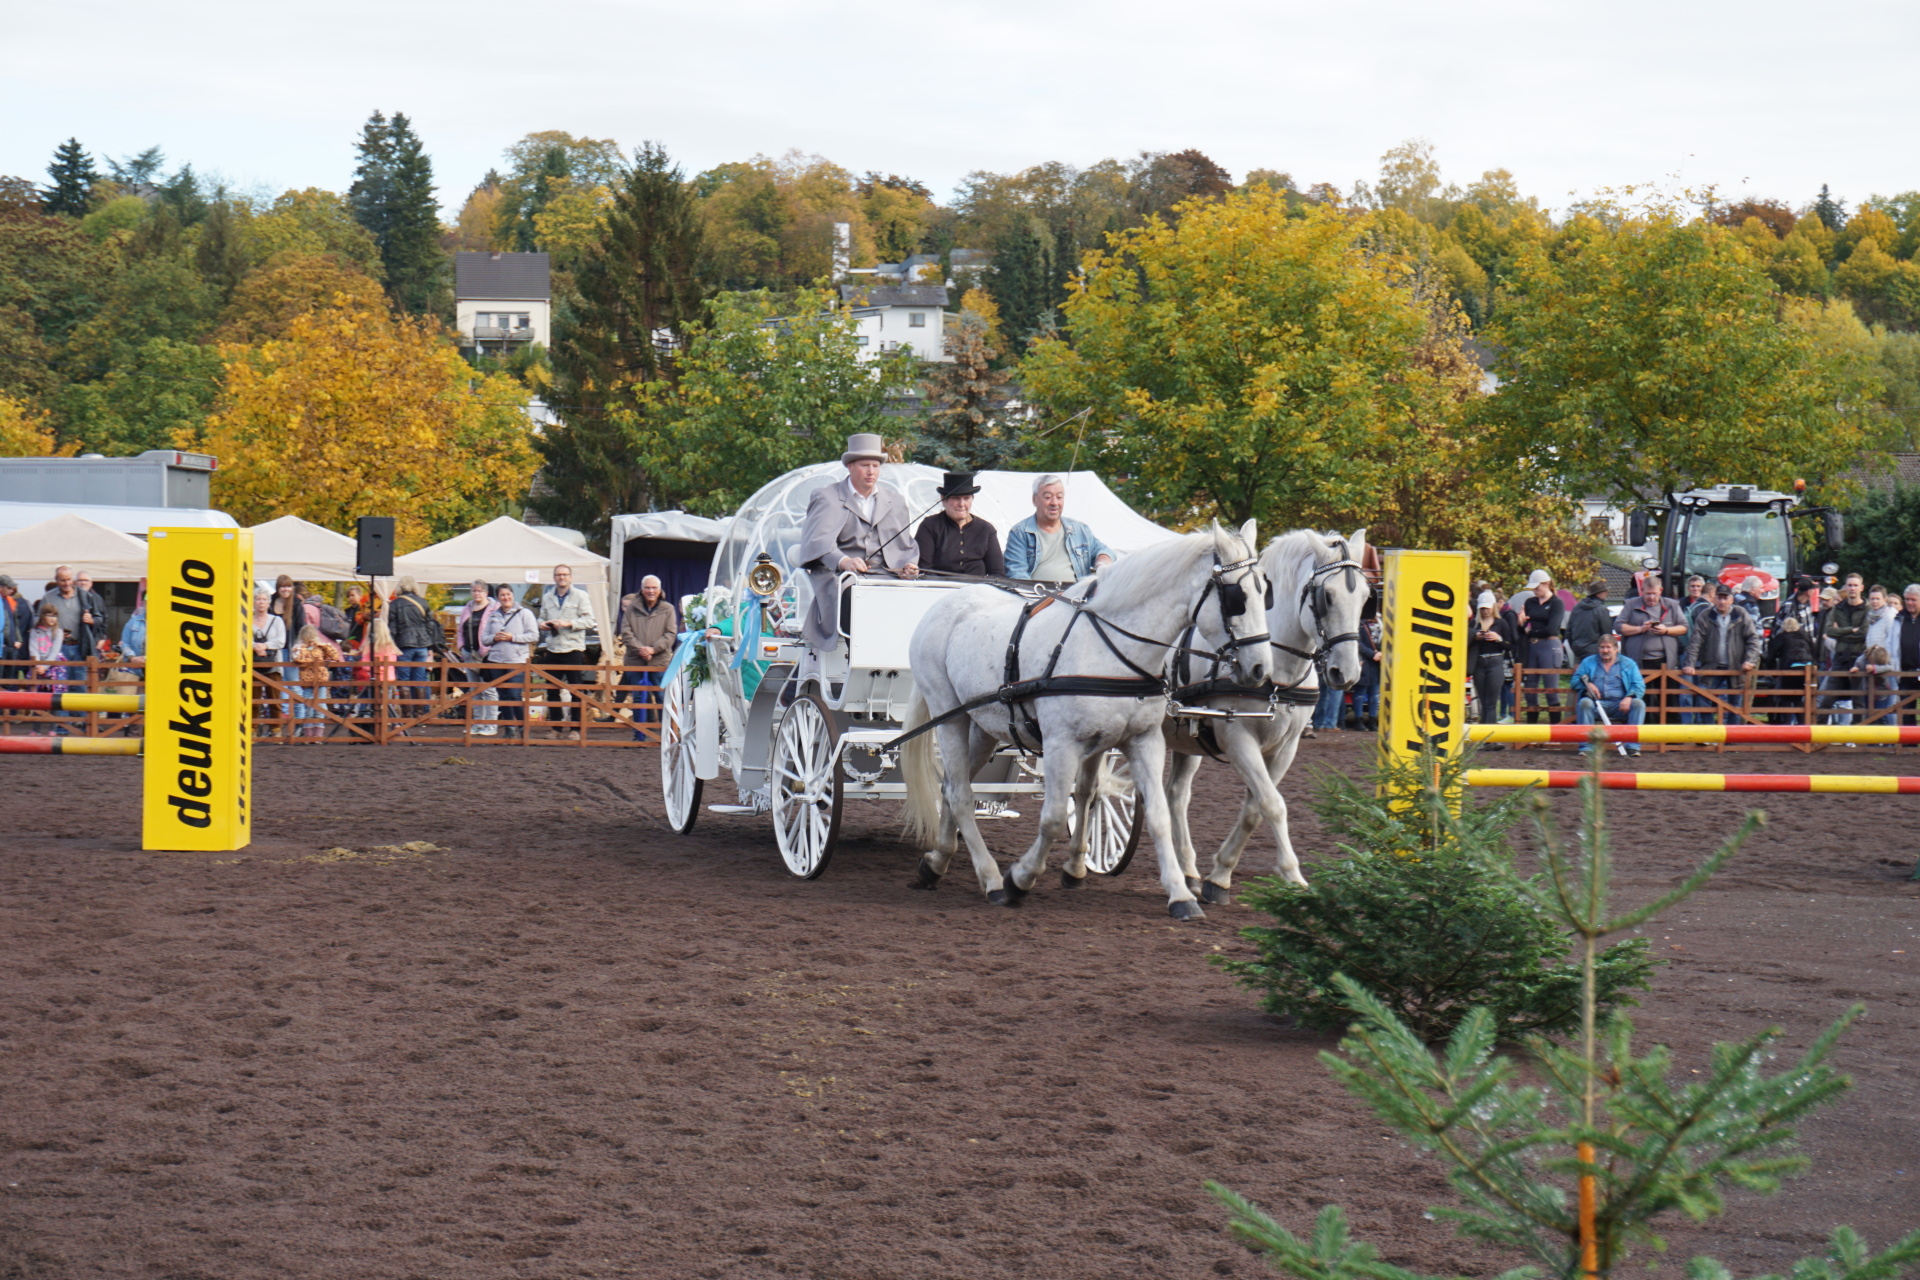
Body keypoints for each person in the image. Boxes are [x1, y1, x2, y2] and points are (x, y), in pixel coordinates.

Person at [794, 433, 920, 653]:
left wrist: (907, 566)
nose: (871, 471)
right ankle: (860, 655)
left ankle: (902, 656)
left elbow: (905, 546)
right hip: (840, 576)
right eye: (864, 465)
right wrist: (843, 561)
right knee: (851, 594)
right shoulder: (827, 497)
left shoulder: (895, 500)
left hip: (885, 575)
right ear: (850, 466)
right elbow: (817, 542)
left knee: (916, 596)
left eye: (875, 465)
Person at [1004, 474, 1114, 583]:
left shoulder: (1080, 530)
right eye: (1047, 497)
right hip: (1037, 597)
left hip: (1076, 597)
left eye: (1059, 497)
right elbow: (1017, 574)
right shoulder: (1020, 533)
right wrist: (1038, 596)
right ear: (1034, 500)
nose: (1054, 503)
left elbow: (1105, 551)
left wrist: (1102, 564)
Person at [1683, 584, 1761, 724]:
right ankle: (1709, 733)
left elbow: (1753, 639)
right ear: (1714, 599)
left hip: (1736, 666)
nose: (1722, 601)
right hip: (1712, 666)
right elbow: (1696, 641)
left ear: (1731, 599)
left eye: (1725, 598)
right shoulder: (1705, 615)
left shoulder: (1741, 614)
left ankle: (1731, 738)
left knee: (1735, 704)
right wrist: (1690, 664)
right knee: (1703, 697)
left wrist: (1750, 660)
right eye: (1719, 598)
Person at [1617, 575, 1688, 722]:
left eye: (1654, 593)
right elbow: (1618, 626)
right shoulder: (1631, 604)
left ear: (1660, 591)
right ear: (1641, 591)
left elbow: (1684, 627)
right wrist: (1640, 629)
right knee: (1643, 698)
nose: (1651, 597)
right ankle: (1644, 736)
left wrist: (1666, 630)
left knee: (1669, 698)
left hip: (1666, 662)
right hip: (1640, 662)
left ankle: (1672, 737)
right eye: (1647, 593)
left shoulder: (1672, 605)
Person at [537, 564, 597, 739]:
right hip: (553, 647)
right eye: (558, 575)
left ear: (570, 577)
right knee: (552, 689)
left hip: (573, 648)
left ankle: (576, 729)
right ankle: (556, 728)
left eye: (564, 575)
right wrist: (541, 623)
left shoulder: (581, 596)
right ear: (554, 577)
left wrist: (568, 623)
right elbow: (542, 616)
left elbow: (589, 621)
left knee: (575, 690)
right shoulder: (547, 597)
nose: (561, 578)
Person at [617, 575, 678, 738]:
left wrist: (653, 649)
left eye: (654, 588)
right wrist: (641, 649)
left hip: (659, 661)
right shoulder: (631, 609)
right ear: (642, 589)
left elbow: (671, 634)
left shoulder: (668, 609)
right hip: (635, 660)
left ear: (660, 590)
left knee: (661, 696)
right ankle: (639, 734)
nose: (651, 591)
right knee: (638, 697)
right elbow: (626, 632)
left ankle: (666, 735)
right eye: (647, 588)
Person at [914, 472, 1007, 577]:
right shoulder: (930, 526)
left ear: (972, 499)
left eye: (966, 498)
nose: (962, 504)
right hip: (939, 588)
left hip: (978, 589)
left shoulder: (986, 529)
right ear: (943, 499)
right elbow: (924, 569)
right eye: (956, 498)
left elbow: (997, 572)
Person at [480, 582, 537, 739]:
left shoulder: (524, 613)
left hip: (516, 660)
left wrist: (513, 637)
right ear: (498, 598)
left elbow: (534, 635)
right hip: (496, 660)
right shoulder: (493, 615)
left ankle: (523, 727)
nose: (506, 598)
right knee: (503, 695)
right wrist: (494, 637)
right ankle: (509, 728)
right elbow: (484, 639)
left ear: (512, 595)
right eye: (502, 595)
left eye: (508, 594)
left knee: (514, 694)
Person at [1574, 633, 1647, 754]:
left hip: (1620, 705)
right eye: (1602, 647)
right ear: (1598, 649)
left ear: (1616, 649)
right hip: (1596, 705)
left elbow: (1639, 685)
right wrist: (1587, 685)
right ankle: (1586, 747)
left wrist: (1629, 697)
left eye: (1608, 647)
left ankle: (1632, 747)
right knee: (1584, 703)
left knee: (1638, 704)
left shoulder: (1629, 664)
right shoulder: (1588, 662)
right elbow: (1575, 680)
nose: (1605, 650)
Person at [387, 576, 441, 721]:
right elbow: (430, 624)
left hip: (404, 645)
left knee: (404, 681)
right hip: (422, 645)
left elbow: (392, 629)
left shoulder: (395, 604)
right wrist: (428, 642)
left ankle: (407, 715)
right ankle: (419, 714)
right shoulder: (422, 602)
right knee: (419, 679)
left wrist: (392, 644)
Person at [1469, 590, 1519, 747]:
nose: (1485, 611)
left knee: (1491, 702)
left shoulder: (1501, 623)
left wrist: (1499, 638)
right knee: (1483, 701)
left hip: (1496, 662)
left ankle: (1489, 738)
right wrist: (1474, 636)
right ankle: (1485, 739)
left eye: (1487, 608)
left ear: (1493, 607)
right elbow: (1464, 643)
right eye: (1482, 608)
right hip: (1479, 662)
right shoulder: (1474, 625)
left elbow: (1510, 645)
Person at [1819, 574, 1870, 725]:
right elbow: (1828, 631)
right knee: (1827, 699)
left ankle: (1856, 738)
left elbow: (1863, 633)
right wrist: (1850, 630)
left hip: (1858, 658)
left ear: (1861, 587)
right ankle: (1818, 736)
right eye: (1849, 585)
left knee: (1858, 700)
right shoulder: (1838, 608)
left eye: (1855, 585)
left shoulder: (1867, 609)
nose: (1852, 588)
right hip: (1840, 657)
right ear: (1845, 587)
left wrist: (1841, 632)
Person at [1518, 570, 1566, 725]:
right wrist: (1521, 624)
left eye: (1537, 587)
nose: (1534, 590)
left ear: (1546, 585)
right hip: (1532, 646)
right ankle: (1532, 730)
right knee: (1530, 689)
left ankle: (1556, 732)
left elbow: (1552, 629)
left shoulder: (1556, 603)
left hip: (1549, 646)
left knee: (1551, 689)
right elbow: (1523, 626)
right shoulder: (1530, 602)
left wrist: (1531, 630)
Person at [453, 579, 499, 736]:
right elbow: (460, 629)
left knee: (489, 689)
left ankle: (491, 724)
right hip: (469, 653)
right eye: (474, 591)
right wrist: (461, 646)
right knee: (474, 689)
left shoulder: (494, 608)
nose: (476, 594)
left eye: (480, 591)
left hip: (486, 654)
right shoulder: (467, 608)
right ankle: (478, 722)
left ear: (486, 593)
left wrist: (487, 648)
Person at [290, 624, 343, 738]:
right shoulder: (299, 648)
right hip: (307, 682)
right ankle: (309, 736)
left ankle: (318, 736)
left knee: (320, 706)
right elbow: (298, 658)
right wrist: (304, 647)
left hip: (320, 681)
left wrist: (323, 645)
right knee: (308, 708)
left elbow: (335, 655)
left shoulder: (320, 648)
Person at [1764, 616, 1817, 723]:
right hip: (1808, 668)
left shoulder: (1781, 637)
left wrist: (1774, 673)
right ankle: (1803, 726)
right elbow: (1814, 652)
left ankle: (1787, 726)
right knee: (1800, 698)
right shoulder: (1805, 636)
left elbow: (1770, 656)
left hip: (1791, 667)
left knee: (1786, 697)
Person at [250, 591, 287, 728]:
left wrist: (265, 646)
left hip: (273, 664)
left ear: (268, 603)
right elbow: (242, 639)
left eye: (264, 599)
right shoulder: (247, 620)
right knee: (253, 699)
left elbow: (281, 641)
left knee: (275, 699)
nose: (261, 602)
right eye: (258, 599)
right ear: (253, 602)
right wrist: (255, 647)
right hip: (253, 664)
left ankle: (276, 729)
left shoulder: (276, 621)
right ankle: (252, 729)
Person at [1566, 579, 1616, 665]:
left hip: (1577, 652)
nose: (1607, 593)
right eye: (1605, 591)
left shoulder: (1577, 607)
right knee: (1596, 677)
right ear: (1598, 593)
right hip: (1595, 653)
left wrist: (1575, 647)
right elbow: (1607, 634)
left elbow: (1568, 631)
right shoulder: (1601, 609)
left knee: (1581, 677)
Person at [1893, 585, 1920, 725]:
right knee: (1906, 713)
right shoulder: (1899, 618)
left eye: (1913, 600)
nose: (1909, 602)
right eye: (1907, 599)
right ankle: (1909, 746)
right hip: (1905, 673)